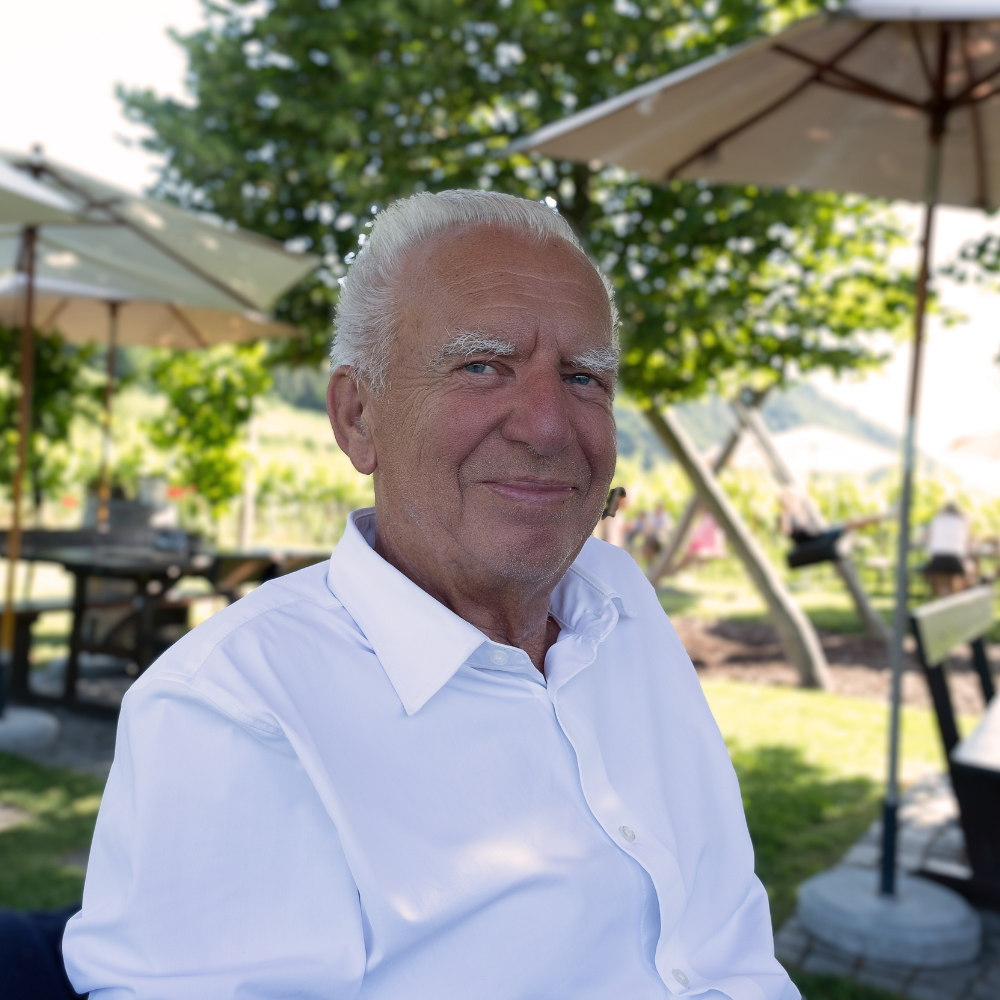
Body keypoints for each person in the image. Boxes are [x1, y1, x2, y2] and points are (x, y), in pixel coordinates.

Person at [63, 190, 797, 1000]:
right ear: (357, 416)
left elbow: (726, 936)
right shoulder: (235, 711)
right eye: (482, 366)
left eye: (584, 376)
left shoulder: (620, 602)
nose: (548, 425)